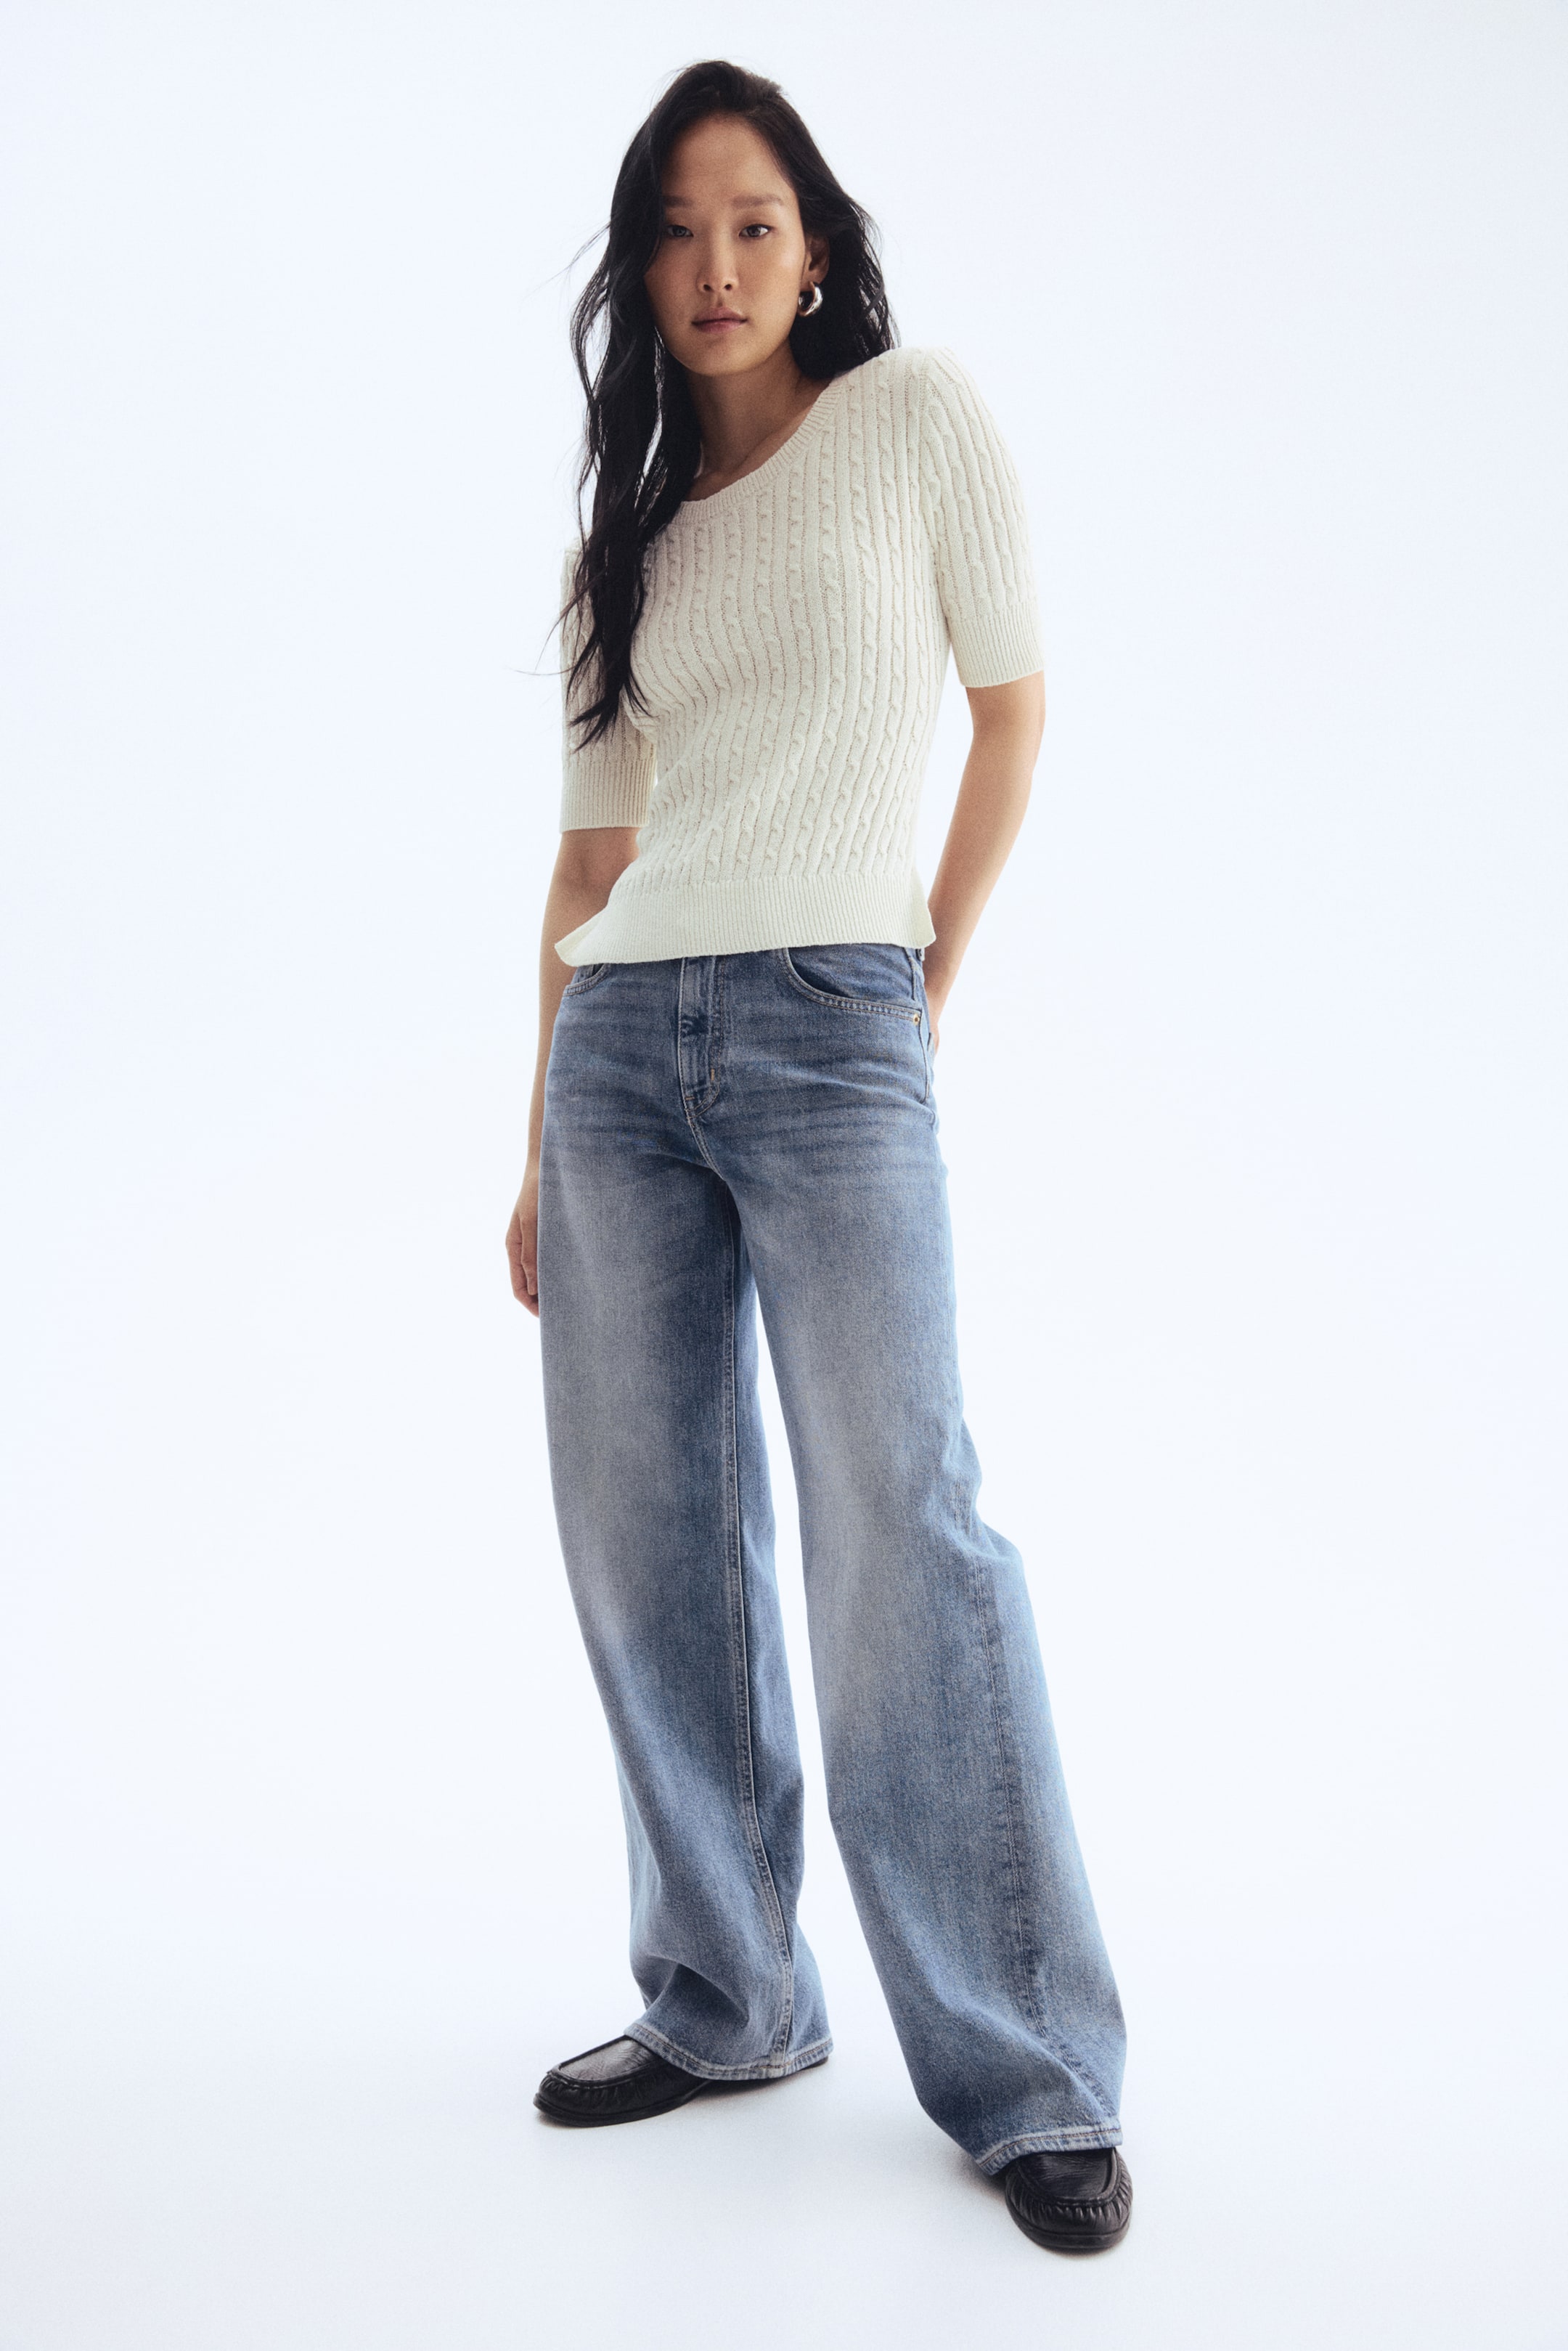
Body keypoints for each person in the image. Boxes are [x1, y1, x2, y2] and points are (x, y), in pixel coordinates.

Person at [506, 60, 1131, 2256]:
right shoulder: (618, 546)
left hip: (836, 1018)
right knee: (647, 1541)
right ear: (637, 267)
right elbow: (586, 866)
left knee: (904, 1525)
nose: (716, 266)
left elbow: (1013, 712)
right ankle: (728, 1999)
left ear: (819, 245)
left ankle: (1030, 2070)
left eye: (753, 222)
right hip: (620, 1062)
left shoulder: (916, 419)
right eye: (676, 231)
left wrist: (917, 977)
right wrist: (531, 1143)